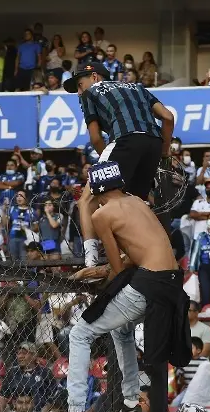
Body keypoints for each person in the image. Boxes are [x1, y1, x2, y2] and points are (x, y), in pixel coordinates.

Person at [47, 162, 189, 412]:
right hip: (171, 283)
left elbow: (118, 269)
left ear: (96, 192)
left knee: (79, 333)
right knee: (121, 329)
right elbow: (137, 253)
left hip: (148, 284)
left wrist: (94, 272)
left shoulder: (102, 214)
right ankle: (131, 403)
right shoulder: (137, 202)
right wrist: (102, 271)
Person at [63, 62, 175, 266]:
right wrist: (165, 151)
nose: (79, 92)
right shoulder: (137, 87)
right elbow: (168, 117)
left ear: (94, 77)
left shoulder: (91, 93)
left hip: (124, 140)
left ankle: (90, 262)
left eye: (79, 85)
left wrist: (107, 165)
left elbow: (96, 138)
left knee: (86, 201)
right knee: (133, 203)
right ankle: (133, 255)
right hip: (153, 143)